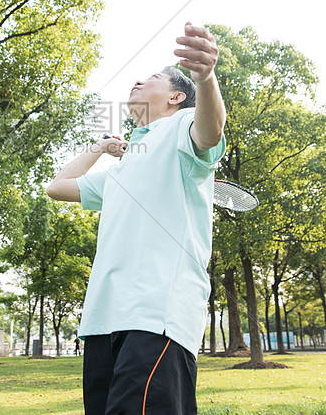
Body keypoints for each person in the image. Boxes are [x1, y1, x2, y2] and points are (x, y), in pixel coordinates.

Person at [46, 22, 226, 415]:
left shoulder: (182, 128)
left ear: (177, 96)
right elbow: (57, 186)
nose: (139, 80)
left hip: (156, 314)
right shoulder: (121, 170)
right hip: (101, 321)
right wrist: (101, 146)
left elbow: (210, 132)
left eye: (154, 78)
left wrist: (206, 77)